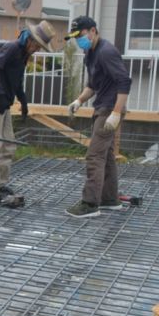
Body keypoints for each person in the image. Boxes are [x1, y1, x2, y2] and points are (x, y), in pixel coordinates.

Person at [0, 21, 57, 203]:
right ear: (29, 39)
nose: (37, 49)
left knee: (8, 144)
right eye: (37, 45)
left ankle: (1, 183)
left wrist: (22, 99)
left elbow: (17, 79)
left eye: (40, 47)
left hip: (4, 103)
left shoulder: (23, 54)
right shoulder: (13, 48)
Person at [63, 15, 132, 218]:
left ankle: (90, 204)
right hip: (102, 107)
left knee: (94, 155)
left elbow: (124, 82)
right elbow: (93, 84)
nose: (79, 41)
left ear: (93, 31)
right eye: (76, 37)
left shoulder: (106, 52)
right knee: (107, 156)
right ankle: (110, 199)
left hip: (109, 109)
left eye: (81, 35)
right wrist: (79, 101)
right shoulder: (90, 53)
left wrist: (116, 113)